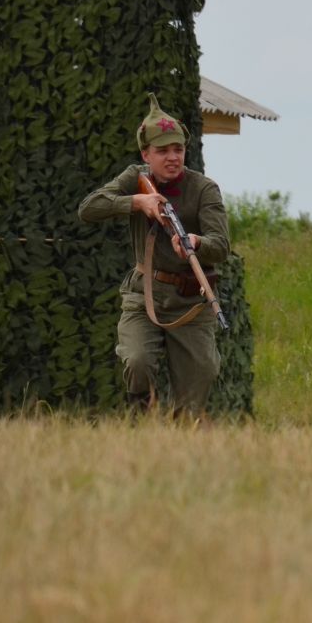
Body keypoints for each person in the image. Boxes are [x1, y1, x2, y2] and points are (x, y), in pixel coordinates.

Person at [77, 95, 230, 417]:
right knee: (137, 361)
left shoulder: (204, 189)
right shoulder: (136, 178)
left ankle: (180, 438)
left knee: (202, 376)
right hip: (143, 295)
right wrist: (137, 203)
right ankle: (141, 422)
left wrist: (196, 242)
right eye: (162, 151)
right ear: (146, 154)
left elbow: (221, 246)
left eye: (178, 150)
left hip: (191, 300)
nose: (172, 158)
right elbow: (89, 208)